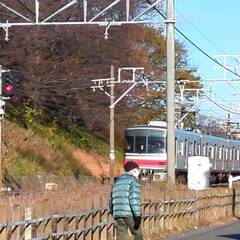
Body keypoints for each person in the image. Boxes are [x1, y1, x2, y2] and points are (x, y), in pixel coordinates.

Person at [109, 161, 143, 240]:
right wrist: (137, 216)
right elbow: (134, 199)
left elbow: (111, 200)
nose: (138, 172)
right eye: (137, 170)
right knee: (138, 235)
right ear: (133, 170)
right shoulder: (133, 180)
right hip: (130, 213)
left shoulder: (117, 181)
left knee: (121, 237)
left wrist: (113, 212)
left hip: (118, 214)